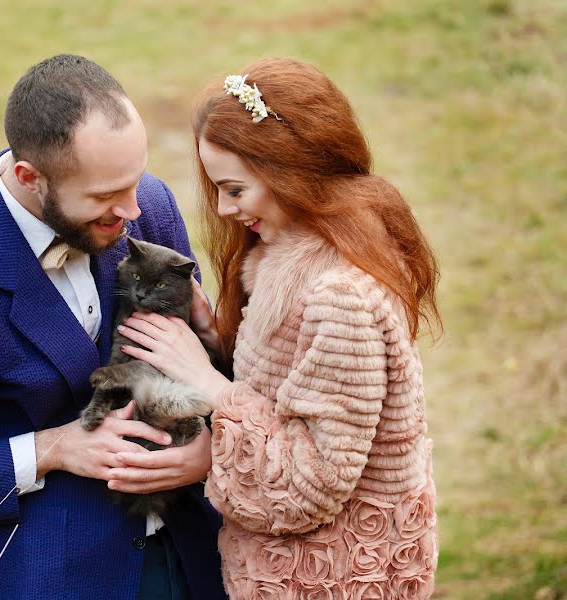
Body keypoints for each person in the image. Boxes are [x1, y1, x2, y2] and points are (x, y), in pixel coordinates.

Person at [0, 54, 227, 600]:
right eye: (103, 198)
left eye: (135, 181)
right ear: (30, 177)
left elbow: (196, 373)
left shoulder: (147, 206)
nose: (132, 211)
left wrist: (211, 435)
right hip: (62, 579)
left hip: (206, 558)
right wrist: (52, 448)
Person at [115, 57, 441, 599]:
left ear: (289, 168)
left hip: (329, 578)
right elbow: (294, 390)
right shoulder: (290, 252)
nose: (222, 208)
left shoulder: (340, 296)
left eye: (236, 189)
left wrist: (208, 382)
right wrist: (217, 338)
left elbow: (310, 482)